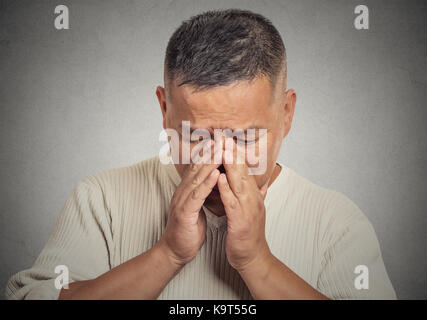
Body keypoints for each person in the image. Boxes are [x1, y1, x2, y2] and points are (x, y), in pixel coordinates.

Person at [5, 9, 396, 300]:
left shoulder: (336, 223)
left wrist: (258, 262)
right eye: (196, 137)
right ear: (164, 110)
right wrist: (168, 254)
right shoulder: (101, 199)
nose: (221, 162)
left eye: (244, 138)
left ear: (286, 114)